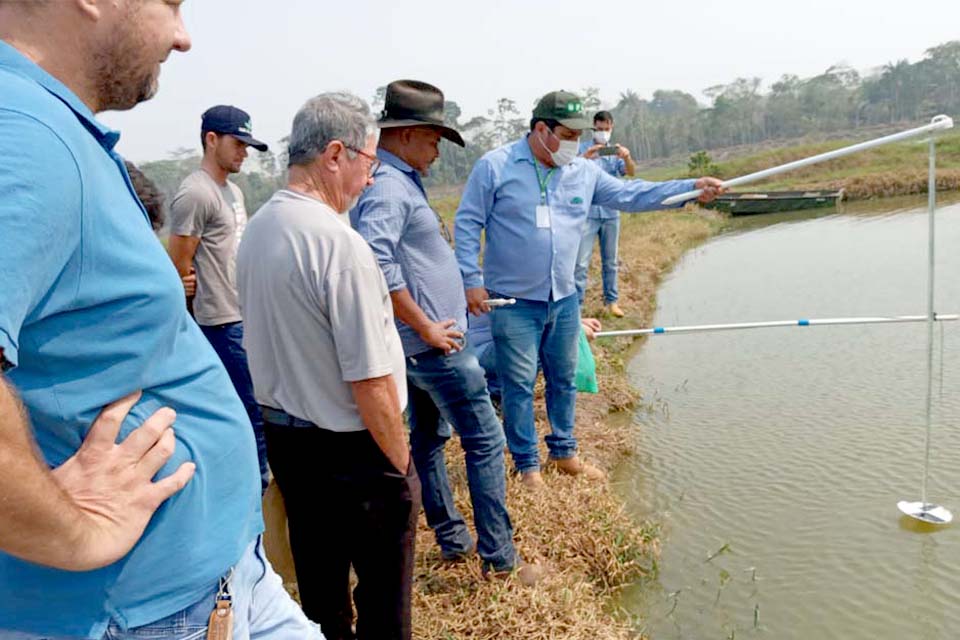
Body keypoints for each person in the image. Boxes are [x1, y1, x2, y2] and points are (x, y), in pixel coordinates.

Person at [0, 2, 321, 639]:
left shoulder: (49, 126)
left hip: (213, 583)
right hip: (147, 610)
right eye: (172, 4)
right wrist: (71, 531)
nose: (182, 37)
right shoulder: (22, 132)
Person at [455, 90, 722, 487]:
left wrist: (689, 188)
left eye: (579, 136)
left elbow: (633, 194)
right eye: (567, 134)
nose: (574, 144)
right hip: (512, 302)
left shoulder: (583, 171)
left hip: (563, 299)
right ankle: (527, 466)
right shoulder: (496, 167)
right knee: (519, 384)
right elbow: (466, 222)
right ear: (541, 129)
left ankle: (564, 453)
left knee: (563, 378)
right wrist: (470, 281)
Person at [237, 92, 419, 640]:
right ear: (336, 154)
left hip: (290, 445)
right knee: (385, 602)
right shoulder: (338, 244)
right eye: (369, 162)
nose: (370, 179)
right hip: (356, 451)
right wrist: (402, 466)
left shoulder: (261, 229)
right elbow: (369, 378)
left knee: (320, 596)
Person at [351, 79, 540, 584]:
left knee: (431, 439)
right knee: (484, 440)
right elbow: (375, 259)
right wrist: (428, 327)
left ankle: (453, 540)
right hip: (434, 349)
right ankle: (500, 559)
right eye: (434, 139)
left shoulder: (396, 180)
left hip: (418, 347)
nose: (436, 151)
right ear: (409, 134)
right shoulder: (389, 186)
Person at [167, 105, 271, 492]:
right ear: (212, 140)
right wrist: (185, 286)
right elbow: (177, 264)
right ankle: (256, 487)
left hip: (243, 312)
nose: (244, 152)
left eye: (248, 145)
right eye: (238, 143)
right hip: (219, 321)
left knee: (258, 405)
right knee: (249, 411)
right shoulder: (196, 193)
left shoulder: (232, 190)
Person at [575, 110, 636, 317]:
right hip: (588, 213)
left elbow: (630, 172)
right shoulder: (583, 149)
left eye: (606, 129)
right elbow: (569, 172)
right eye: (599, 129)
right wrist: (586, 157)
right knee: (581, 263)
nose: (603, 133)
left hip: (611, 213)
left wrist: (627, 157)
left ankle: (612, 302)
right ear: (593, 128)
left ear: (612, 127)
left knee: (610, 261)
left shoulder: (615, 151)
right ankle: (578, 307)